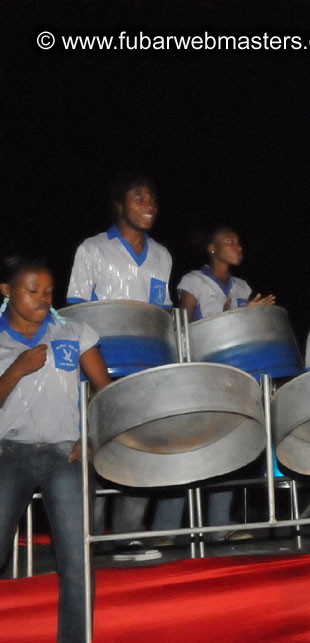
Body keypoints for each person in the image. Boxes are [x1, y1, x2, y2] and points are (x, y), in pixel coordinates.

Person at [0, 256, 112, 643]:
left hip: (66, 454)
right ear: (6, 291)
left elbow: (105, 390)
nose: (43, 299)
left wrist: (93, 435)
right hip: (7, 453)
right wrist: (16, 369)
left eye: (48, 291)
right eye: (33, 291)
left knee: (77, 561)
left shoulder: (75, 332)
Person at [67, 173, 172, 562]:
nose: (149, 205)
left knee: (139, 450)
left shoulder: (162, 255)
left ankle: (128, 537)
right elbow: (75, 310)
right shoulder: (92, 249)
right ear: (119, 205)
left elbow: (159, 313)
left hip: (145, 367)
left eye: (153, 200)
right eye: (139, 198)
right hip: (100, 365)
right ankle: (86, 539)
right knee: (93, 450)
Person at [152, 226, 275, 543]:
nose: (238, 245)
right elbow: (180, 325)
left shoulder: (243, 286)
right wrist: (225, 319)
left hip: (231, 378)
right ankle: (165, 530)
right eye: (230, 241)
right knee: (188, 448)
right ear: (212, 248)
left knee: (227, 450)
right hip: (198, 375)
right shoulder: (194, 280)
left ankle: (221, 526)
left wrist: (252, 319)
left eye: (239, 240)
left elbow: (245, 333)